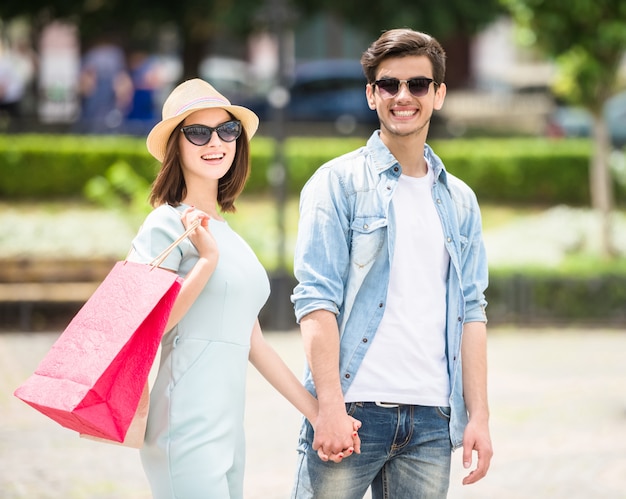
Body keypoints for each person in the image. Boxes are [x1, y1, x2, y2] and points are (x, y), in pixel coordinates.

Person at [127, 78, 360, 499]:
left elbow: (256, 346)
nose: (215, 142)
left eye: (227, 130)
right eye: (197, 132)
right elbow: (147, 325)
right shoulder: (167, 224)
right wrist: (206, 263)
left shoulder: (227, 235)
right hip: (182, 420)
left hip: (229, 423)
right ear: (175, 147)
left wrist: (322, 416)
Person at [290, 28, 493, 498]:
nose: (404, 96)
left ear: (438, 94)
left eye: (418, 84)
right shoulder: (336, 184)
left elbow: (472, 310)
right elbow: (316, 299)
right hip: (353, 411)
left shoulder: (459, 200)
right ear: (371, 94)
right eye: (389, 85)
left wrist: (478, 414)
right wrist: (329, 407)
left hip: (431, 419)